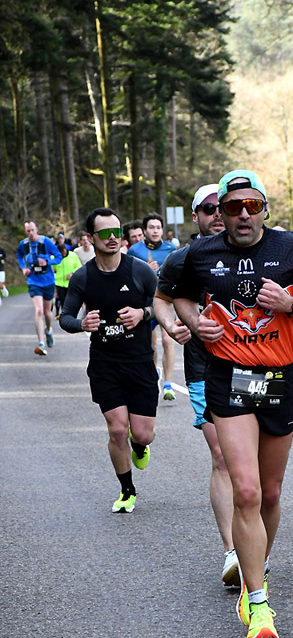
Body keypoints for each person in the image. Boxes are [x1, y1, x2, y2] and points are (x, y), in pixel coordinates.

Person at [161, 169, 293, 638]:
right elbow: (173, 295)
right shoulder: (200, 253)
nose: (242, 214)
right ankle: (258, 601)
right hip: (229, 379)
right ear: (220, 211)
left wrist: (291, 304)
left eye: (252, 206)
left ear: (264, 209)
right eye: (232, 207)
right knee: (246, 490)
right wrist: (193, 322)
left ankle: (253, 569)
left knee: (271, 493)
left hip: (279, 379)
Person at [155, 184, 239, 586]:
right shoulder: (182, 259)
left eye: (222, 207)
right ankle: (232, 551)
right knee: (222, 456)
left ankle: (255, 541)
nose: (217, 214)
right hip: (205, 369)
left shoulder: (254, 253)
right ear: (195, 216)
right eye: (208, 209)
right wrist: (172, 325)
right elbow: (161, 299)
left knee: (255, 466)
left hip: (254, 366)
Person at [59, 207, 161, 514]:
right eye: (105, 233)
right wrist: (82, 324)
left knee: (142, 433)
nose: (112, 238)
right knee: (117, 430)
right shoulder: (83, 276)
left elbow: (163, 306)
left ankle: (139, 445)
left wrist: (142, 313)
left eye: (116, 232)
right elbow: (65, 317)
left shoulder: (140, 271)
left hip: (140, 362)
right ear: (91, 238)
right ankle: (127, 490)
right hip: (105, 363)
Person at [128, 213, 178, 400]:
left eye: (158, 227)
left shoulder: (171, 249)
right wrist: (146, 271)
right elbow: (129, 277)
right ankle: (155, 372)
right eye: (151, 227)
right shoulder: (134, 250)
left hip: (166, 301)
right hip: (145, 304)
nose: (155, 231)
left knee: (167, 340)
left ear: (162, 230)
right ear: (144, 230)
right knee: (152, 344)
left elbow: (177, 274)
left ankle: (168, 385)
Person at [16, 220, 63, 355]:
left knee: (47, 313)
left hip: (48, 281)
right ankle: (41, 343)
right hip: (33, 281)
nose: (31, 233)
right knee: (39, 311)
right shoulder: (23, 244)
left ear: (36, 229)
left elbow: (58, 257)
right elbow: (19, 256)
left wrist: (47, 262)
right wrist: (23, 268)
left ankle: (48, 331)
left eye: (32, 230)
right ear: (25, 232)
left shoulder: (46, 241)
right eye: (28, 231)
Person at [53, 241, 82, 318]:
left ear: (65, 250)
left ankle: (71, 315)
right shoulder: (55, 257)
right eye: (61, 252)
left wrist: (72, 274)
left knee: (70, 300)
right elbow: (51, 269)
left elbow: (79, 267)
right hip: (59, 282)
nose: (63, 254)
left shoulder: (73, 255)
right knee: (62, 299)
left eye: (63, 252)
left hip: (70, 282)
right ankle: (65, 315)